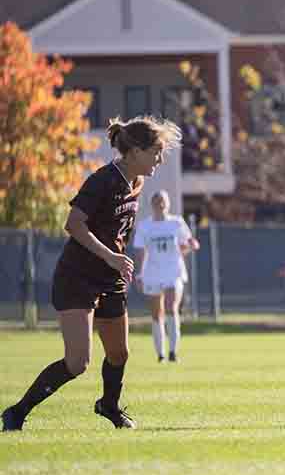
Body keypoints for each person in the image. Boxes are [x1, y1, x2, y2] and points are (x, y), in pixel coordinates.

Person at [2, 116, 182, 432]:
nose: (159, 158)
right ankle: (17, 412)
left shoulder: (137, 183)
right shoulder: (103, 180)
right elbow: (73, 223)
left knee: (119, 353)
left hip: (109, 278)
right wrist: (111, 256)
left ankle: (108, 406)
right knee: (77, 363)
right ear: (136, 151)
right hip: (77, 278)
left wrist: (118, 260)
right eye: (156, 151)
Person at [133, 190, 199, 363]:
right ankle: (160, 353)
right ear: (152, 204)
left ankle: (172, 352)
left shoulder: (177, 223)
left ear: (168, 204)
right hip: (153, 273)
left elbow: (186, 244)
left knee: (171, 307)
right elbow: (140, 250)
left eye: (163, 201)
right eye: (156, 201)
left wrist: (191, 245)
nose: (160, 204)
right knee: (157, 314)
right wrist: (139, 274)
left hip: (173, 271)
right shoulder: (144, 226)